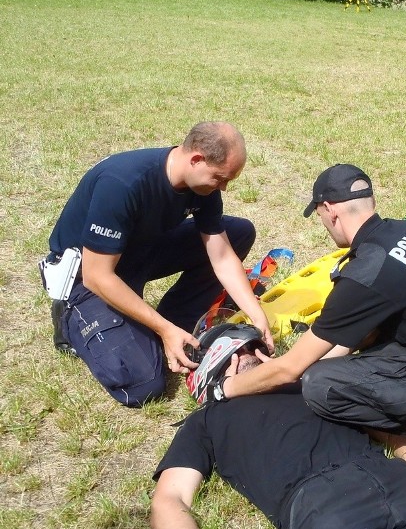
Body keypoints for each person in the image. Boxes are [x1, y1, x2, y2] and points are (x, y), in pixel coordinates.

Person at [220, 164, 406, 483]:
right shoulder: (401, 231)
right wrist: (300, 362)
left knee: (320, 386)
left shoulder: (368, 273)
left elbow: (290, 369)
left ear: (329, 211)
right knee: (328, 363)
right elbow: (357, 334)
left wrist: (227, 388)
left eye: (319, 217)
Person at [43, 122, 272, 407]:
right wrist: (163, 330)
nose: (223, 187)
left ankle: (175, 323)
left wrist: (256, 314)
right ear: (196, 159)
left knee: (239, 233)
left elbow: (223, 256)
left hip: (138, 251)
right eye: (219, 178)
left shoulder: (203, 187)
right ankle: (73, 318)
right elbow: (96, 275)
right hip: (88, 274)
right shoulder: (122, 183)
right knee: (143, 384)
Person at [151, 362, 406, 529]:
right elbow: (170, 498)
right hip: (318, 501)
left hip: (390, 476)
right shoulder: (208, 420)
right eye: (244, 351)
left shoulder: (308, 384)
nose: (258, 353)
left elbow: (376, 421)